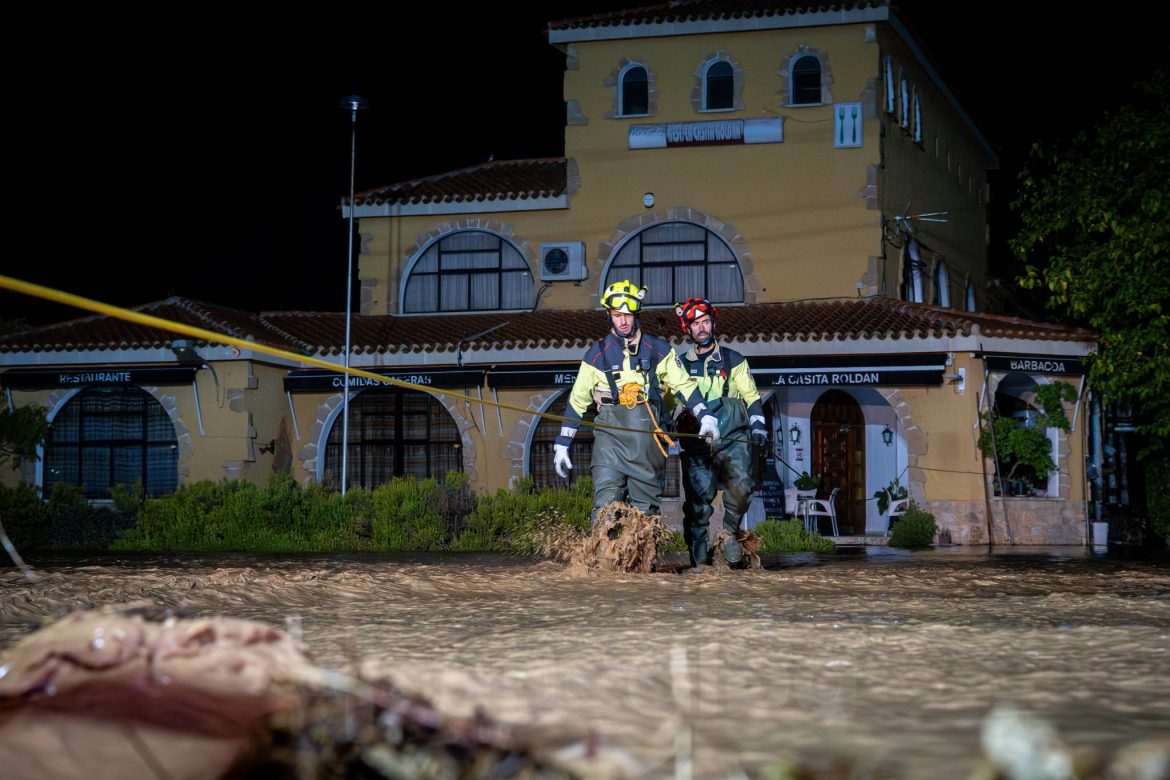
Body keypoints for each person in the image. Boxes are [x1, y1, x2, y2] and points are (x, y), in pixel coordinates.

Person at [553, 280, 719, 522]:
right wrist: (562, 442)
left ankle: (642, 546)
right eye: (617, 315)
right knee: (605, 509)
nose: (623, 321)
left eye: (628, 315)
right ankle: (601, 548)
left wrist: (705, 415)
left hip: (647, 445)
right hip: (610, 442)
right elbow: (577, 401)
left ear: (636, 315)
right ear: (609, 315)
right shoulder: (596, 354)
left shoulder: (658, 349)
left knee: (645, 516)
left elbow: (684, 385)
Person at [671, 297, 767, 569]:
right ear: (687, 329)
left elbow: (752, 397)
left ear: (713, 323)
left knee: (742, 486)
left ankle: (729, 532)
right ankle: (700, 565)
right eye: (695, 324)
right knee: (697, 506)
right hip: (696, 443)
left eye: (705, 322)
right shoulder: (678, 365)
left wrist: (759, 426)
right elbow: (668, 402)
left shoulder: (733, 360)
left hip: (733, 438)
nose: (701, 328)